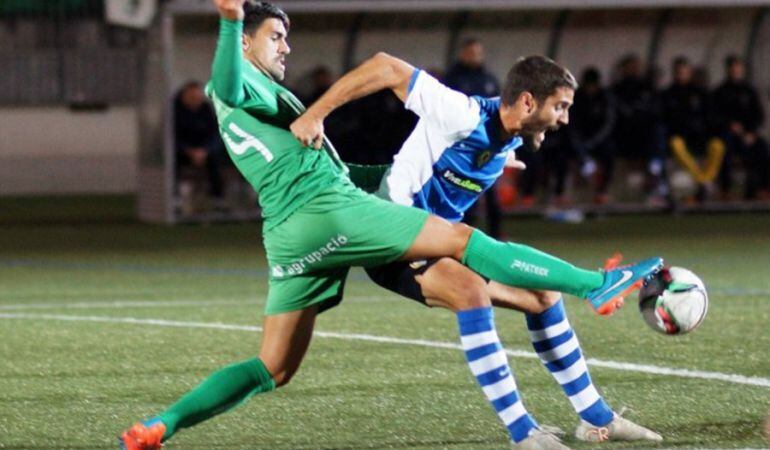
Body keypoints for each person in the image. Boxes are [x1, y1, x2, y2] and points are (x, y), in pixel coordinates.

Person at [118, 2, 662, 449]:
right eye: (276, 35)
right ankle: (594, 290)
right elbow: (232, 88)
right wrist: (231, 19)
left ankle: (161, 426)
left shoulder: (272, 99)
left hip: (290, 232)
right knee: (466, 247)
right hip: (329, 209)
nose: (286, 46)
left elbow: (327, 164)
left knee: (274, 367)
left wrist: (466, 162)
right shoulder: (247, 87)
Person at [309, 54, 663, 449]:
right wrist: (316, 115)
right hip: (390, 240)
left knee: (544, 295)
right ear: (528, 102)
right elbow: (385, 66)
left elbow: (474, 150)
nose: (564, 119)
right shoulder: (460, 112)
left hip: (431, 240)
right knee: (469, 290)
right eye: (560, 107)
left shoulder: (505, 133)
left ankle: (596, 418)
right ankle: (523, 430)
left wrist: (502, 155)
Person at [445, 37, 504, 237]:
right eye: (471, 53)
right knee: (465, 192)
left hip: (490, 146)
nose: (475, 57)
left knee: (492, 196)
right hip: (462, 147)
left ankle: (496, 237)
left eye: (478, 53)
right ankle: (463, 235)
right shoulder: (452, 79)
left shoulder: (489, 79)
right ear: (463, 54)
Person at [662, 57, 724, 204]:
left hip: (701, 138)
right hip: (681, 138)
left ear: (690, 72)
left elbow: (711, 116)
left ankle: (705, 180)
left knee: (717, 145)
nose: (681, 75)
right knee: (675, 143)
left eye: (684, 72)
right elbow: (666, 118)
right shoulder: (669, 94)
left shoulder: (700, 93)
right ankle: (702, 181)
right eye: (678, 72)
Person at [612, 54, 670, 207]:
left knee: (658, 132)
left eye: (636, 67)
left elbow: (657, 112)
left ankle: (656, 176)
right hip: (626, 137)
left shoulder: (647, 88)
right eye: (630, 67)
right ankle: (657, 180)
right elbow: (620, 115)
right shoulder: (617, 90)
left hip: (647, 137)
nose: (634, 70)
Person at [711, 55, 770, 200]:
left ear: (741, 69)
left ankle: (763, 188)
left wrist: (751, 133)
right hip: (728, 135)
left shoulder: (749, 91)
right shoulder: (720, 91)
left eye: (737, 67)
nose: (735, 70)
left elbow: (759, 116)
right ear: (727, 70)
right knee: (724, 149)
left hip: (747, 135)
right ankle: (725, 189)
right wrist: (729, 125)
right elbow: (714, 116)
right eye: (732, 67)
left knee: (763, 148)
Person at [569, 67, 617, 205]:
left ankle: (602, 191)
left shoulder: (605, 97)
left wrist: (593, 142)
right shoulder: (576, 98)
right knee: (567, 151)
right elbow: (572, 124)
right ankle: (572, 192)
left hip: (599, 140)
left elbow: (608, 123)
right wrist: (581, 145)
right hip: (580, 141)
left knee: (609, 153)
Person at [174, 80, 227, 202]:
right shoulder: (175, 111)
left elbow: (216, 133)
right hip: (183, 152)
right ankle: (175, 198)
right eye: (192, 97)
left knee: (216, 160)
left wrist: (205, 150)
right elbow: (172, 137)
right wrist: (189, 151)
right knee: (172, 161)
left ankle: (217, 199)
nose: (195, 100)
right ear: (184, 97)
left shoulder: (206, 109)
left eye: (198, 97)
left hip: (205, 152)